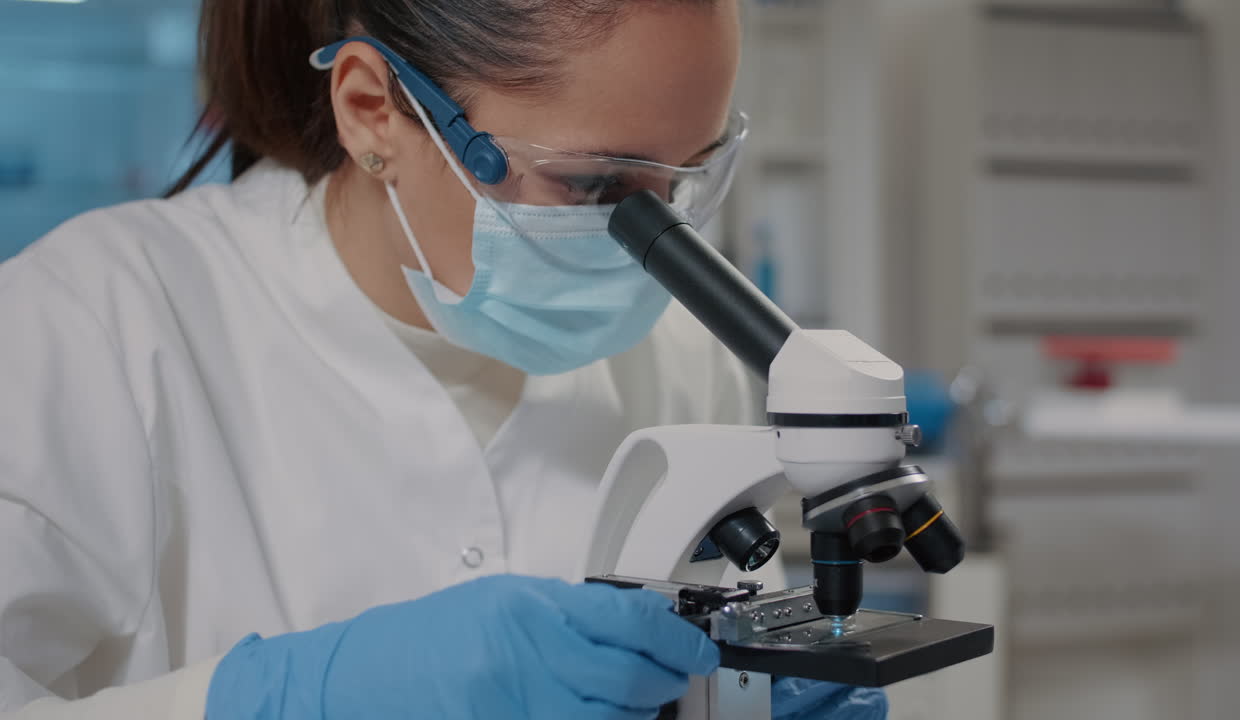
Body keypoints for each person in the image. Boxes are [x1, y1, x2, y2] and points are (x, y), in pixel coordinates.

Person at [0, 1, 887, 718]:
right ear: (372, 110)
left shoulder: (684, 350)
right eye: (592, 186)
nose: (649, 247)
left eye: (684, 178)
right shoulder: (91, 322)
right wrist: (267, 705)